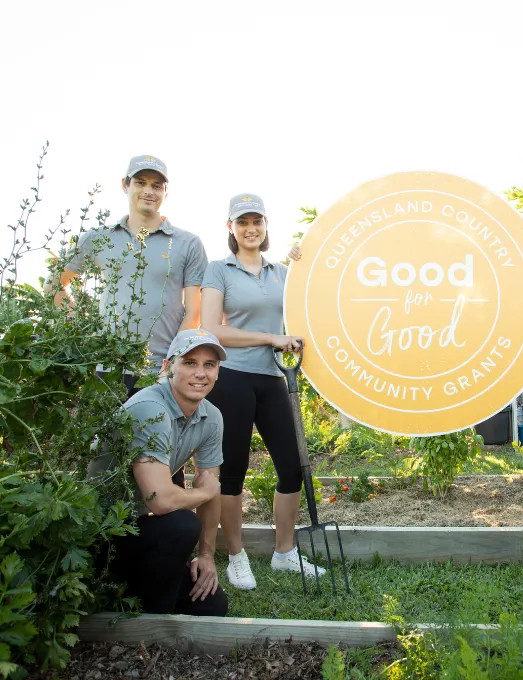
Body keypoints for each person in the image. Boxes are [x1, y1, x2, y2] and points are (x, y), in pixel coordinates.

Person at [200, 193, 325, 590]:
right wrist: (270, 337)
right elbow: (212, 330)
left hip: (275, 380)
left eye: (257, 221)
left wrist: (305, 260)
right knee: (232, 474)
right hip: (233, 380)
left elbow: (315, 298)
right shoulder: (219, 270)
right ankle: (236, 556)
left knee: (292, 468)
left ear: (266, 225)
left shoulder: (282, 272)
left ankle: (284, 552)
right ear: (231, 228)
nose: (250, 228)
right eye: (243, 222)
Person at [88, 329, 228, 615]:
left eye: (209, 365)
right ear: (167, 367)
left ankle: (142, 595)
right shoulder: (150, 408)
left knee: (211, 605)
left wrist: (205, 556)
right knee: (182, 525)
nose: (200, 373)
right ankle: (152, 623)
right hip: (99, 537)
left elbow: (211, 485)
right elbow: (160, 499)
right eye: (189, 363)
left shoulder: (210, 417)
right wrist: (202, 492)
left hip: (135, 531)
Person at [53, 155, 208, 396]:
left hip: (161, 372)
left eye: (157, 186)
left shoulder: (188, 244)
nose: (149, 191)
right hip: (108, 368)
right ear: (125, 185)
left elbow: (194, 313)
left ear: (166, 193)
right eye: (141, 182)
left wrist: (172, 364)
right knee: (108, 435)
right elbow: (56, 283)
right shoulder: (98, 238)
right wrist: (79, 323)